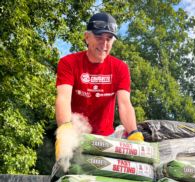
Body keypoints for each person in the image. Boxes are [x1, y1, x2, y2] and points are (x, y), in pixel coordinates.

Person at [55, 12, 144, 160]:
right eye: (99, 37)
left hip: (106, 139)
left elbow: (125, 104)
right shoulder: (68, 63)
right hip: (75, 137)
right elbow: (63, 98)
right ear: (87, 37)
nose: (104, 44)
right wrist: (64, 131)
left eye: (109, 39)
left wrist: (134, 133)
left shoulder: (120, 67)